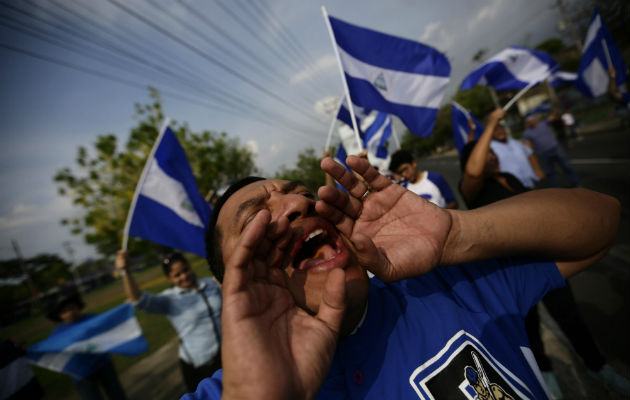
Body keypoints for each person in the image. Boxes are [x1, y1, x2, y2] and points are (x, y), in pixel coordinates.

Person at [183, 153, 620, 400]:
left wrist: (456, 233)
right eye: (258, 220)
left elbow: (601, 222)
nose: (295, 206)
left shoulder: (443, 285)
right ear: (229, 284)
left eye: (300, 194)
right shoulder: (228, 393)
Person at [459, 109, 630, 398]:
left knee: (570, 315)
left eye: (492, 152)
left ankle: (598, 367)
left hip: (542, 260)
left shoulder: (509, 177)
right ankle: (546, 375)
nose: (492, 156)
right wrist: (489, 124)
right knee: (528, 326)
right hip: (511, 272)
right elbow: (474, 170)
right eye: (485, 153)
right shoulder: (473, 188)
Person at [115, 250, 222, 392]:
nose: (184, 276)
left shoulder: (209, 284)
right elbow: (138, 300)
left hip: (226, 354)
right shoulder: (170, 299)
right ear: (169, 279)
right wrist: (125, 271)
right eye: (177, 275)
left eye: (185, 269)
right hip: (201, 364)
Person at [46, 290, 127, 400]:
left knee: (116, 393)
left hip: (103, 364)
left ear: (78, 307)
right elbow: (57, 353)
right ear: (59, 316)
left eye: (71, 307)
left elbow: (109, 330)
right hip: (81, 374)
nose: (70, 312)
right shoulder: (57, 333)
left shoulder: (92, 319)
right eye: (64, 311)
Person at [488, 115, 544, 189]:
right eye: (496, 130)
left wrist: (538, 170)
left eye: (501, 129)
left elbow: (530, 154)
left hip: (532, 182)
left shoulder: (515, 142)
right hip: (515, 187)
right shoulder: (491, 148)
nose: (500, 132)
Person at [388, 149, 458, 209]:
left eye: (405, 169)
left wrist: (440, 214)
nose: (404, 174)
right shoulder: (403, 189)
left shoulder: (436, 178)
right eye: (400, 172)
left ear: (413, 163)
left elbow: (453, 203)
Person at [523, 115, 580, 188]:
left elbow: (553, 117)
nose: (532, 121)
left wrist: (554, 111)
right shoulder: (527, 132)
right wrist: (529, 156)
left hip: (555, 148)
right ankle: (556, 189)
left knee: (567, 166)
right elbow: (528, 146)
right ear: (527, 123)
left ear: (535, 119)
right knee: (550, 173)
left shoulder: (543, 123)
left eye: (532, 119)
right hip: (543, 154)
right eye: (529, 121)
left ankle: (576, 183)